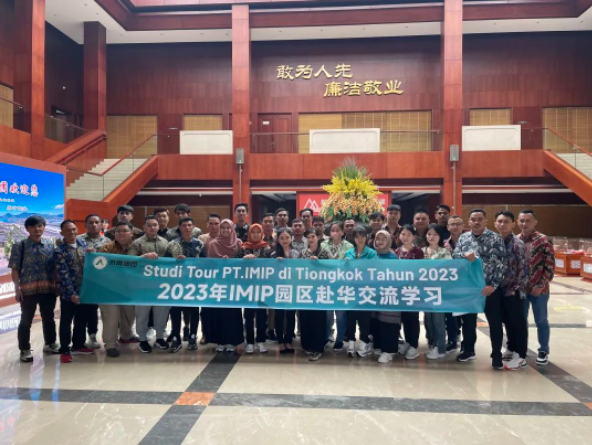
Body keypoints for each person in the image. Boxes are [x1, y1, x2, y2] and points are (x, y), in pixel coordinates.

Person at [453, 209, 507, 370]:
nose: (476, 222)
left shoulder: (495, 238)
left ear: (485, 221)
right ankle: (468, 350)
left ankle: (496, 354)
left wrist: (494, 285)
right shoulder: (464, 238)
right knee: (468, 321)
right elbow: (454, 256)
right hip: (470, 288)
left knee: (494, 322)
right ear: (469, 222)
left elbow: (502, 263)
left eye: (479, 219)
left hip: (488, 287)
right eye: (473, 219)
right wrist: (463, 255)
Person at [9, 215, 59, 363]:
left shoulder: (50, 245)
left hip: (48, 289)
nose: (37, 229)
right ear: (27, 229)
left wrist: (57, 283)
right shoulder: (20, 246)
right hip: (27, 290)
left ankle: (50, 344)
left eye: (40, 226)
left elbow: (54, 267)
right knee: (26, 320)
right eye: (33, 226)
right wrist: (17, 289)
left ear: (44, 227)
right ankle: (25, 349)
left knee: (49, 319)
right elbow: (15, 269)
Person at [517, 209, 555, 366]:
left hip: (539, 290)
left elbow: (550, 266)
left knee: (541, 320)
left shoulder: (544, 240)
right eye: (522, 220)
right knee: (521, 321)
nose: (524, 223)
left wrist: (541, 285)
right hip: (521, 289)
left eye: (528, 220)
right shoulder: (515, 240)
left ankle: (543, 350)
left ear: (535, 222)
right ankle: (522, 349)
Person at [54, 220, 95, 363]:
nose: (71, 232)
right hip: (68, 294)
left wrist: (93, 254)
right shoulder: (59, 251)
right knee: (66, 321)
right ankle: (65, 349)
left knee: (81, 320)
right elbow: (63, 274)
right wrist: (71, 294)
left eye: (73, 229)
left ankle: (78, 345)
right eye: (67, 230)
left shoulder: (84, 245)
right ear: (62, 233)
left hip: (84, 291)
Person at [129, 215, 171, 353]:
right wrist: (143, 257)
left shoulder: (165, 242)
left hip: (161, 284)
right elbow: (130, 261)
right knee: (142, 313)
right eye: (149, 225)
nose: (152, 228)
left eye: (155, 225)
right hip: (143, 284)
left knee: (162, 312)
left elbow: (171, 260)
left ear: (158, 227)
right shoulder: (137, 243)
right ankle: (142, 339)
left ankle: (160, 337)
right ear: (144, 227)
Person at [98, 221, 140, 358]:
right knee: (111, 316)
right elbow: (99, 267)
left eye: (124, 231)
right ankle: (110, 344)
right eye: (118, 231)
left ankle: (126, 335)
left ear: (131, 233)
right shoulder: (106, 248)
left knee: (129, 314)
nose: (121, 233)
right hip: (109, 289)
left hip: (130, 289)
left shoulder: (138, 247)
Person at [494, 211, 529, 371]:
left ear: (513, 224)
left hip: (513, 290)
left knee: (517, 322)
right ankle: (511, 348)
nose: (503, 224)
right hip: (499, 289)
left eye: (506, 221)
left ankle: (521, 356)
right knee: (507, 320)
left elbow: (523, 269)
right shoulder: (495, 242)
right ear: (495, 223)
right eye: (500, 221)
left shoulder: (517, 244)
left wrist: (515, 288)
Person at [165, 217, 206, 353]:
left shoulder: (200, 244)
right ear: (180, 227)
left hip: (194, 284)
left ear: (193, 227)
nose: (187, 228)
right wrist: (175, 262)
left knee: (194, 310)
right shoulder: (172, 244)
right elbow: (164, 264)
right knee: (176, 310)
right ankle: (176, 337)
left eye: (189, 225)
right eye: (184, 225)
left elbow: (206, 264)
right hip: (176, 283)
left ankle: (193, 336)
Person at [206, 219, 245, 352]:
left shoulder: (238, 243)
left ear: (232, 229)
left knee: (233, 313)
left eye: (228, 228)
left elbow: (242, 261)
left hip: (234, 284)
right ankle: (220, 341)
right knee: (219, 313)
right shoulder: (213, 244)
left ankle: (233, 341)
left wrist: (233, 262)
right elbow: (209, 264)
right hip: (219, 284)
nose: (225, 230)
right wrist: (220, 262)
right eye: (223, 228)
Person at [77, 213, 109, 350]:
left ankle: (101, 336)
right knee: (87, 310)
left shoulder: (108, 241)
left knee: (104, 311)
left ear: (101, 225)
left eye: (97, 222)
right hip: (84, 281)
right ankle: (88, 337)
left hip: (103, 282)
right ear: (85, 225)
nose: (94, 225)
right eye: (90, 222)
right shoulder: (78, 240)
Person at [345, 226, 377, 358]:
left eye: (362, 236)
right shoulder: (349, 252)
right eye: (357, 237)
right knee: (350, 317)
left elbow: (372, 269)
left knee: (364, 318)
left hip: (366, 290)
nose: (360, 239)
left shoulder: (371, 253)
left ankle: (364, 342)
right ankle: (351, 342)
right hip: (351, 290)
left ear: (366, 238)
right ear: (354, 238)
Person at [239, 224, 271, 354]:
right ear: (249, 234)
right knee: (248, 315)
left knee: (262, 315)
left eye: (258, 232)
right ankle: (250, 342)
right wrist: (243, 259)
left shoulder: (267, 248)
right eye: (253, 232)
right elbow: (236, 264)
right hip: (248, 287)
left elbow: (271, 265)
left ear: (262, 234)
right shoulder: (244, 248)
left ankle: (261, 341)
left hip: (262, 287)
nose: (256, 235)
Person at [321, 222, 353, 351]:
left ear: (342, 232)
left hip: (342, 285)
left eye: (338, 230)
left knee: (340, 315)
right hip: (327, 284)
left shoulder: (349, 246)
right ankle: (326, 336)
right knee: (327, 314)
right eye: (333, 230)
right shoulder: (323, 245)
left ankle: (339, 339)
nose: (335, 233)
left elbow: (351, 264)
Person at [300, 230, 331, 361]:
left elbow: (333, 267)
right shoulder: (302, 253)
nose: (311, 239)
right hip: (305, 290)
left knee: (318, 320)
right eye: (308, 237)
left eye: (313, 236)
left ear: (318, 237)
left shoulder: (325, 252)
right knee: (305, 318)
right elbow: (297, 269)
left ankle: (318, 348)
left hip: (320, 291)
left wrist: (319, 263)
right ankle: (306, 345)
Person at [422, 224, 451, 360]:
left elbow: (447, 271)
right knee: (428, 319)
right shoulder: (421, 251)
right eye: (429, 234)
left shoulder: (444, 252)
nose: (431, 237)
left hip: (439, 291)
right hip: (424, 291)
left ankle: (440, 348)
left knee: (438, 320)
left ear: (440, 237)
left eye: (435, 234)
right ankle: (432, 344)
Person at [395, 224, 423, 360]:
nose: (405, 237)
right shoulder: (396, 252)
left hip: (413, 290)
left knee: (413, 318)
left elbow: (420, 270)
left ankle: (414, 346)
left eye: (409, 234)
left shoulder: (418, 251)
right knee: (403, 317)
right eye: (403, 234)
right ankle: (407, 342)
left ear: (414, 236)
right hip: (400, 290)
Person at [372, 230, 401, 364]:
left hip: (389, 293)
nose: (380, 241)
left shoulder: (393, 257)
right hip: (374, 293)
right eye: (378, 239)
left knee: (388, 321)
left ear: (389, 241)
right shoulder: (372, 255)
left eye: (384, 239)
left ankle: (389, 351)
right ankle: (379, 346)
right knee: (376, 320)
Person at [271, 228, 300, 354]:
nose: (285, 240)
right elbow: (270, 272)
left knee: (290, 315)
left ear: (291, 238)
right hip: (278, 289)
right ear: (278, 240)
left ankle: (288, 340)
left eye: (287, 237)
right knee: (279, 315)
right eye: (282, 238)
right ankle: (280, 341)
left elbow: (300, 270)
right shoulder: (273, 254)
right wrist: (276, 264)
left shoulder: (296, 253)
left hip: (292, 288)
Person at [444, 215, 464, 353]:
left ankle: (467, 345)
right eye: (452, 224)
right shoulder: (443, 245)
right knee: (450, 314)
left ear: (462, 226)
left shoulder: (470, 243)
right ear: (448, 227)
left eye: (458, 224)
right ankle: (452, 340)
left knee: (465, 316)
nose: (455, 226)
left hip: (465, 285)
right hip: (448, 285)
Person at [260, 213, 277, 342]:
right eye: (266, 221)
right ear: (262, 223)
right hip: (259, 277)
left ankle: (271, 329)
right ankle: (260, 329)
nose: (268, 223)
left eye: (270, 221)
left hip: (274, 276)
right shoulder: (256, 235)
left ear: (274, 223)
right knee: (260, 305)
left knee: (272, 305)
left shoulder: (278, 237)